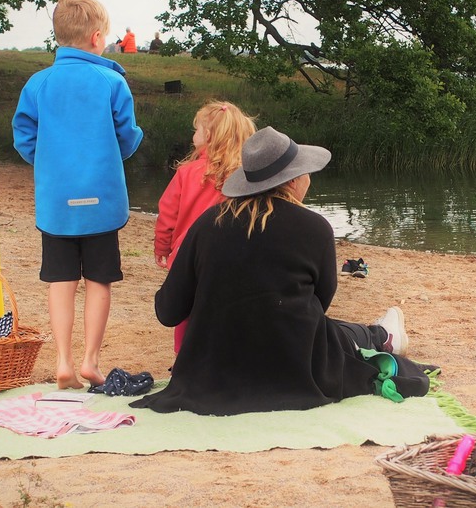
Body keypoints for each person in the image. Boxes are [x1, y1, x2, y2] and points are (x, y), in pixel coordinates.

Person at [130, 127, 428, 415]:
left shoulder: (208, 224)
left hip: (214, 369)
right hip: (295, 366)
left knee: (331, 330)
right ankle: (380, 335)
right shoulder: (315, 228)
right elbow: (318, 305)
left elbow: (167, 311)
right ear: (292, 181)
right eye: (305, 171)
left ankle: (379, 333)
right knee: (337, 334)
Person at [11, 0, 144, 390]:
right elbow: (128, 136)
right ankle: (90, 360)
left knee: (61, 280)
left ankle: (64, 361)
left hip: (57, 203)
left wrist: (50, 162)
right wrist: (107, 157)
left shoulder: (38, 83)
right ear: (97, 37)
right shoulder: (112, 81)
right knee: (99, 280)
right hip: (102, 201)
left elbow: (23, 137)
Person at [154, 100, 256, 353]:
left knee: (186, 309)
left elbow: (168, 213)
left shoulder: (188, 172)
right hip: (232, 255)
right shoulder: (246, 175)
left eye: (196, 129)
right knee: (227, 307)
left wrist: (163, 247)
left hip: (188, 255)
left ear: (208, 135)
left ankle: (184, 358)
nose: (193, 135)